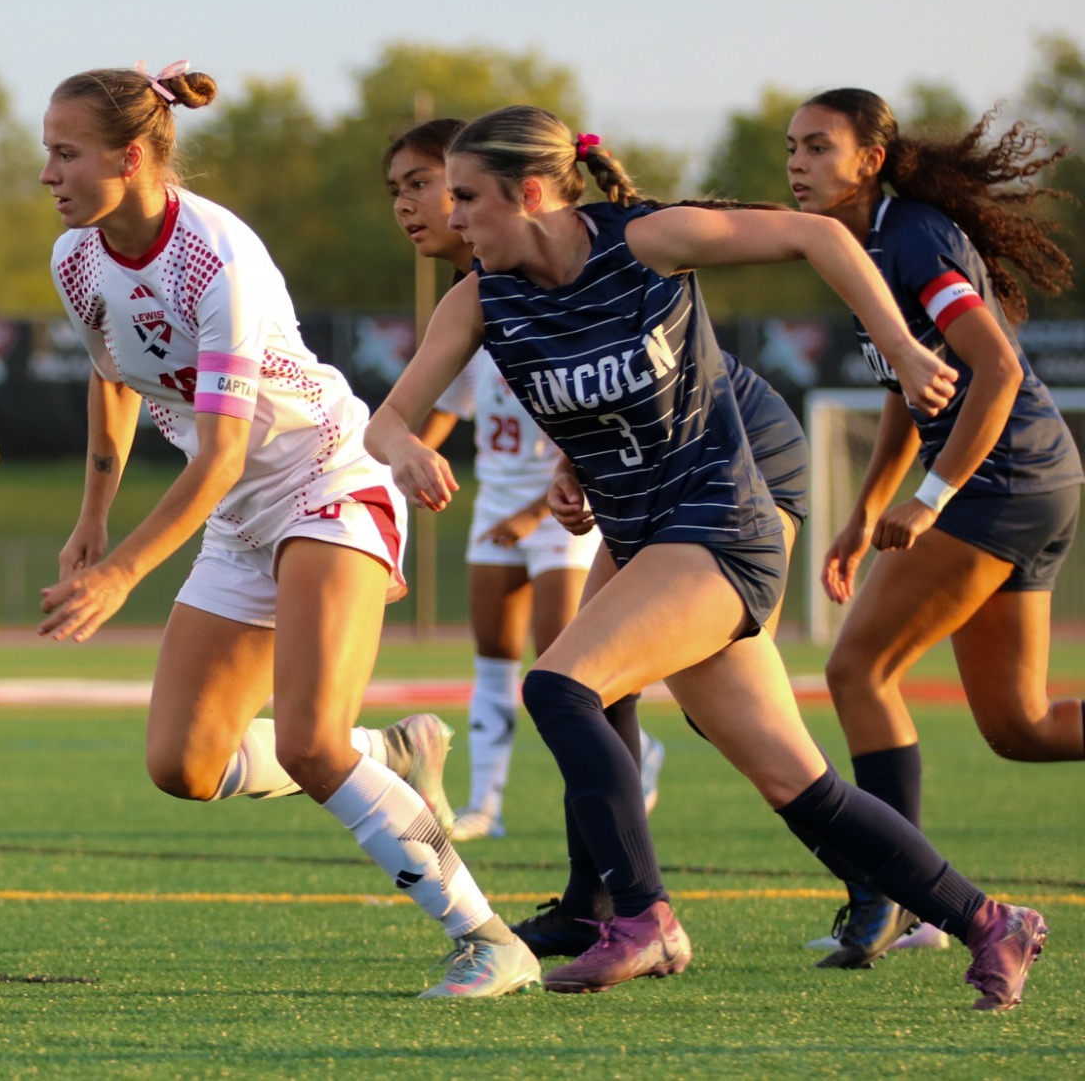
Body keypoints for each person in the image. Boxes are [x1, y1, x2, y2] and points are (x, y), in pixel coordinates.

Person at [365, 105, 1046, 1008]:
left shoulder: (647, 240)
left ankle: (640, 916)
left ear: (531, 192)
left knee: (561, 684)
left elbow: (815, 236)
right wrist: (411, 448)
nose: (451, 218)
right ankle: (991, 919)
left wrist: (897, 341)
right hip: (648, 536)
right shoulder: (481, 297)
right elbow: (387, 418)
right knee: (797, 783)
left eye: (465, 197)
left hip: (723, 523)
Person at [37, 60, 538, 998]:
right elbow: (114, 376)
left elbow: (223, 452)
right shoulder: (77, 258)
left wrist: (124, 575)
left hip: (324, 479)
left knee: (310, 742)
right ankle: (391, 756)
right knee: (182, 764)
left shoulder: (215, 253)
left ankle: (488, 940)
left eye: (66, 152)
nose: (47, 173)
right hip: (234, 515)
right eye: (47, 153)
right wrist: (93, 516)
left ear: (134, 155)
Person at [787, 88, 1081, 968]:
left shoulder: (911, 236)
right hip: (1034, 481)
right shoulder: (855, 246)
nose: (797, 163)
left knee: (857, 667)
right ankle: (904, 893)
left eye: (817, 147)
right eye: (790, 148)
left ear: (870, 159)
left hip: (1003, 481)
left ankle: (890, 895)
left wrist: (934, 495)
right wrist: (869, 506)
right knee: (1019, 726)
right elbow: (901, 387)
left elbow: (995, 368)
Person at [385, 119, 630, 841]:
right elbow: (411, 416)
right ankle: (503, 812)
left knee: (578, 681)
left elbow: (607, 404)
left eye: (429, 186)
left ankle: (621, 815)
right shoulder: (472, 300)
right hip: (517, 497)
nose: (412, 205)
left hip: (594, 506)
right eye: (397, 189)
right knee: (527, 670)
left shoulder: (554, 281)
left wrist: (543, 499)